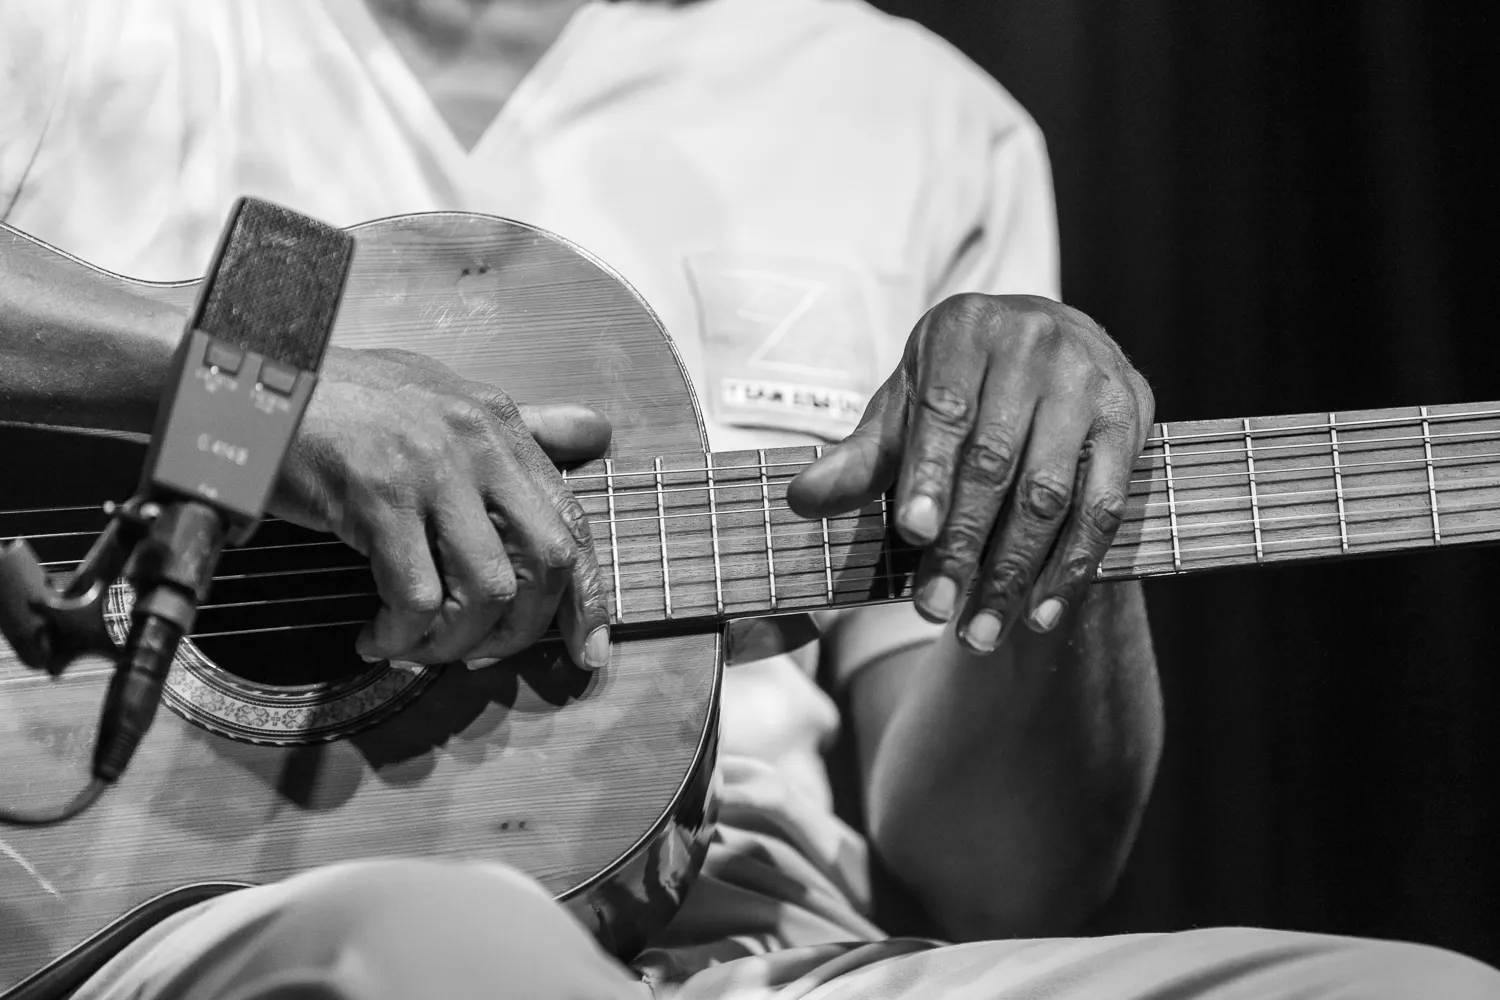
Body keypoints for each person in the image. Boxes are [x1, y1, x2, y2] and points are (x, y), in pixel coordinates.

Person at [0, 1, 1495, 997]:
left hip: (768, 943)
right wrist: (262, 392)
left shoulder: (919, 118)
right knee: (455, 947)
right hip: (172, 914)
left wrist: (1059, 510)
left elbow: (1002, 884)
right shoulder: (83, 29)